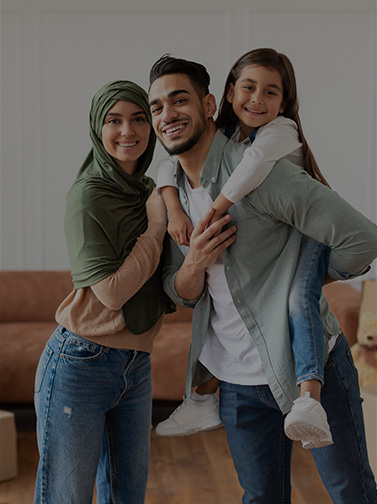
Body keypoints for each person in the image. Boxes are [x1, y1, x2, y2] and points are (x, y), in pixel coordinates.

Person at [148, 53, 377, 503]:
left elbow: (363, 240)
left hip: (312, 365)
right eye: (157, 107)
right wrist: (194, 261)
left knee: (351, 492)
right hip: (235, 380)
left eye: (179, 100)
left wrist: (300, 284)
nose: (168, 114)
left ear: (211, 104)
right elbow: (179, 291)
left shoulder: (262, 174)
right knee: (260, 498)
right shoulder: (168, 194)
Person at [154, 49, 333, 448]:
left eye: (271, 92)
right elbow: (166, 164)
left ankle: (310, 398)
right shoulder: (220, 140)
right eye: (248, 88)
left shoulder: (277, 133)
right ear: (230, 92)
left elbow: (251, 168)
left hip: (309, 234)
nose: (257, 99)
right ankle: (201, 397)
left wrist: (214, 209)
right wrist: (172, 209)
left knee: (297, 299)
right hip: (239, 374)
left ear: (284, 103)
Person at [33, 80, 174, 504]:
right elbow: (111, 294)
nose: (127, 131)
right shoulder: (88, 196)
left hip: (137, 365)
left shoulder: (153, 191)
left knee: (127, 496)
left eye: (138, 119)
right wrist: (156, 228)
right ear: (98, 128)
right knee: (66, 496)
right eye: (114, 120)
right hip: (80, 364)